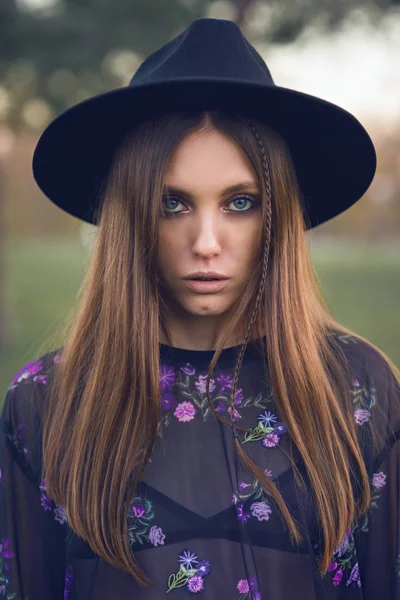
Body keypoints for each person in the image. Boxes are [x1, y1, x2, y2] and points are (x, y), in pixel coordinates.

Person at [0, 16, 399, 600]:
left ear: (278, 216)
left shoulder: (358, 390)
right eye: (172, 203)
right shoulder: (46, 403)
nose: (206, 241)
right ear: (132, 217)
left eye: (240, 202)